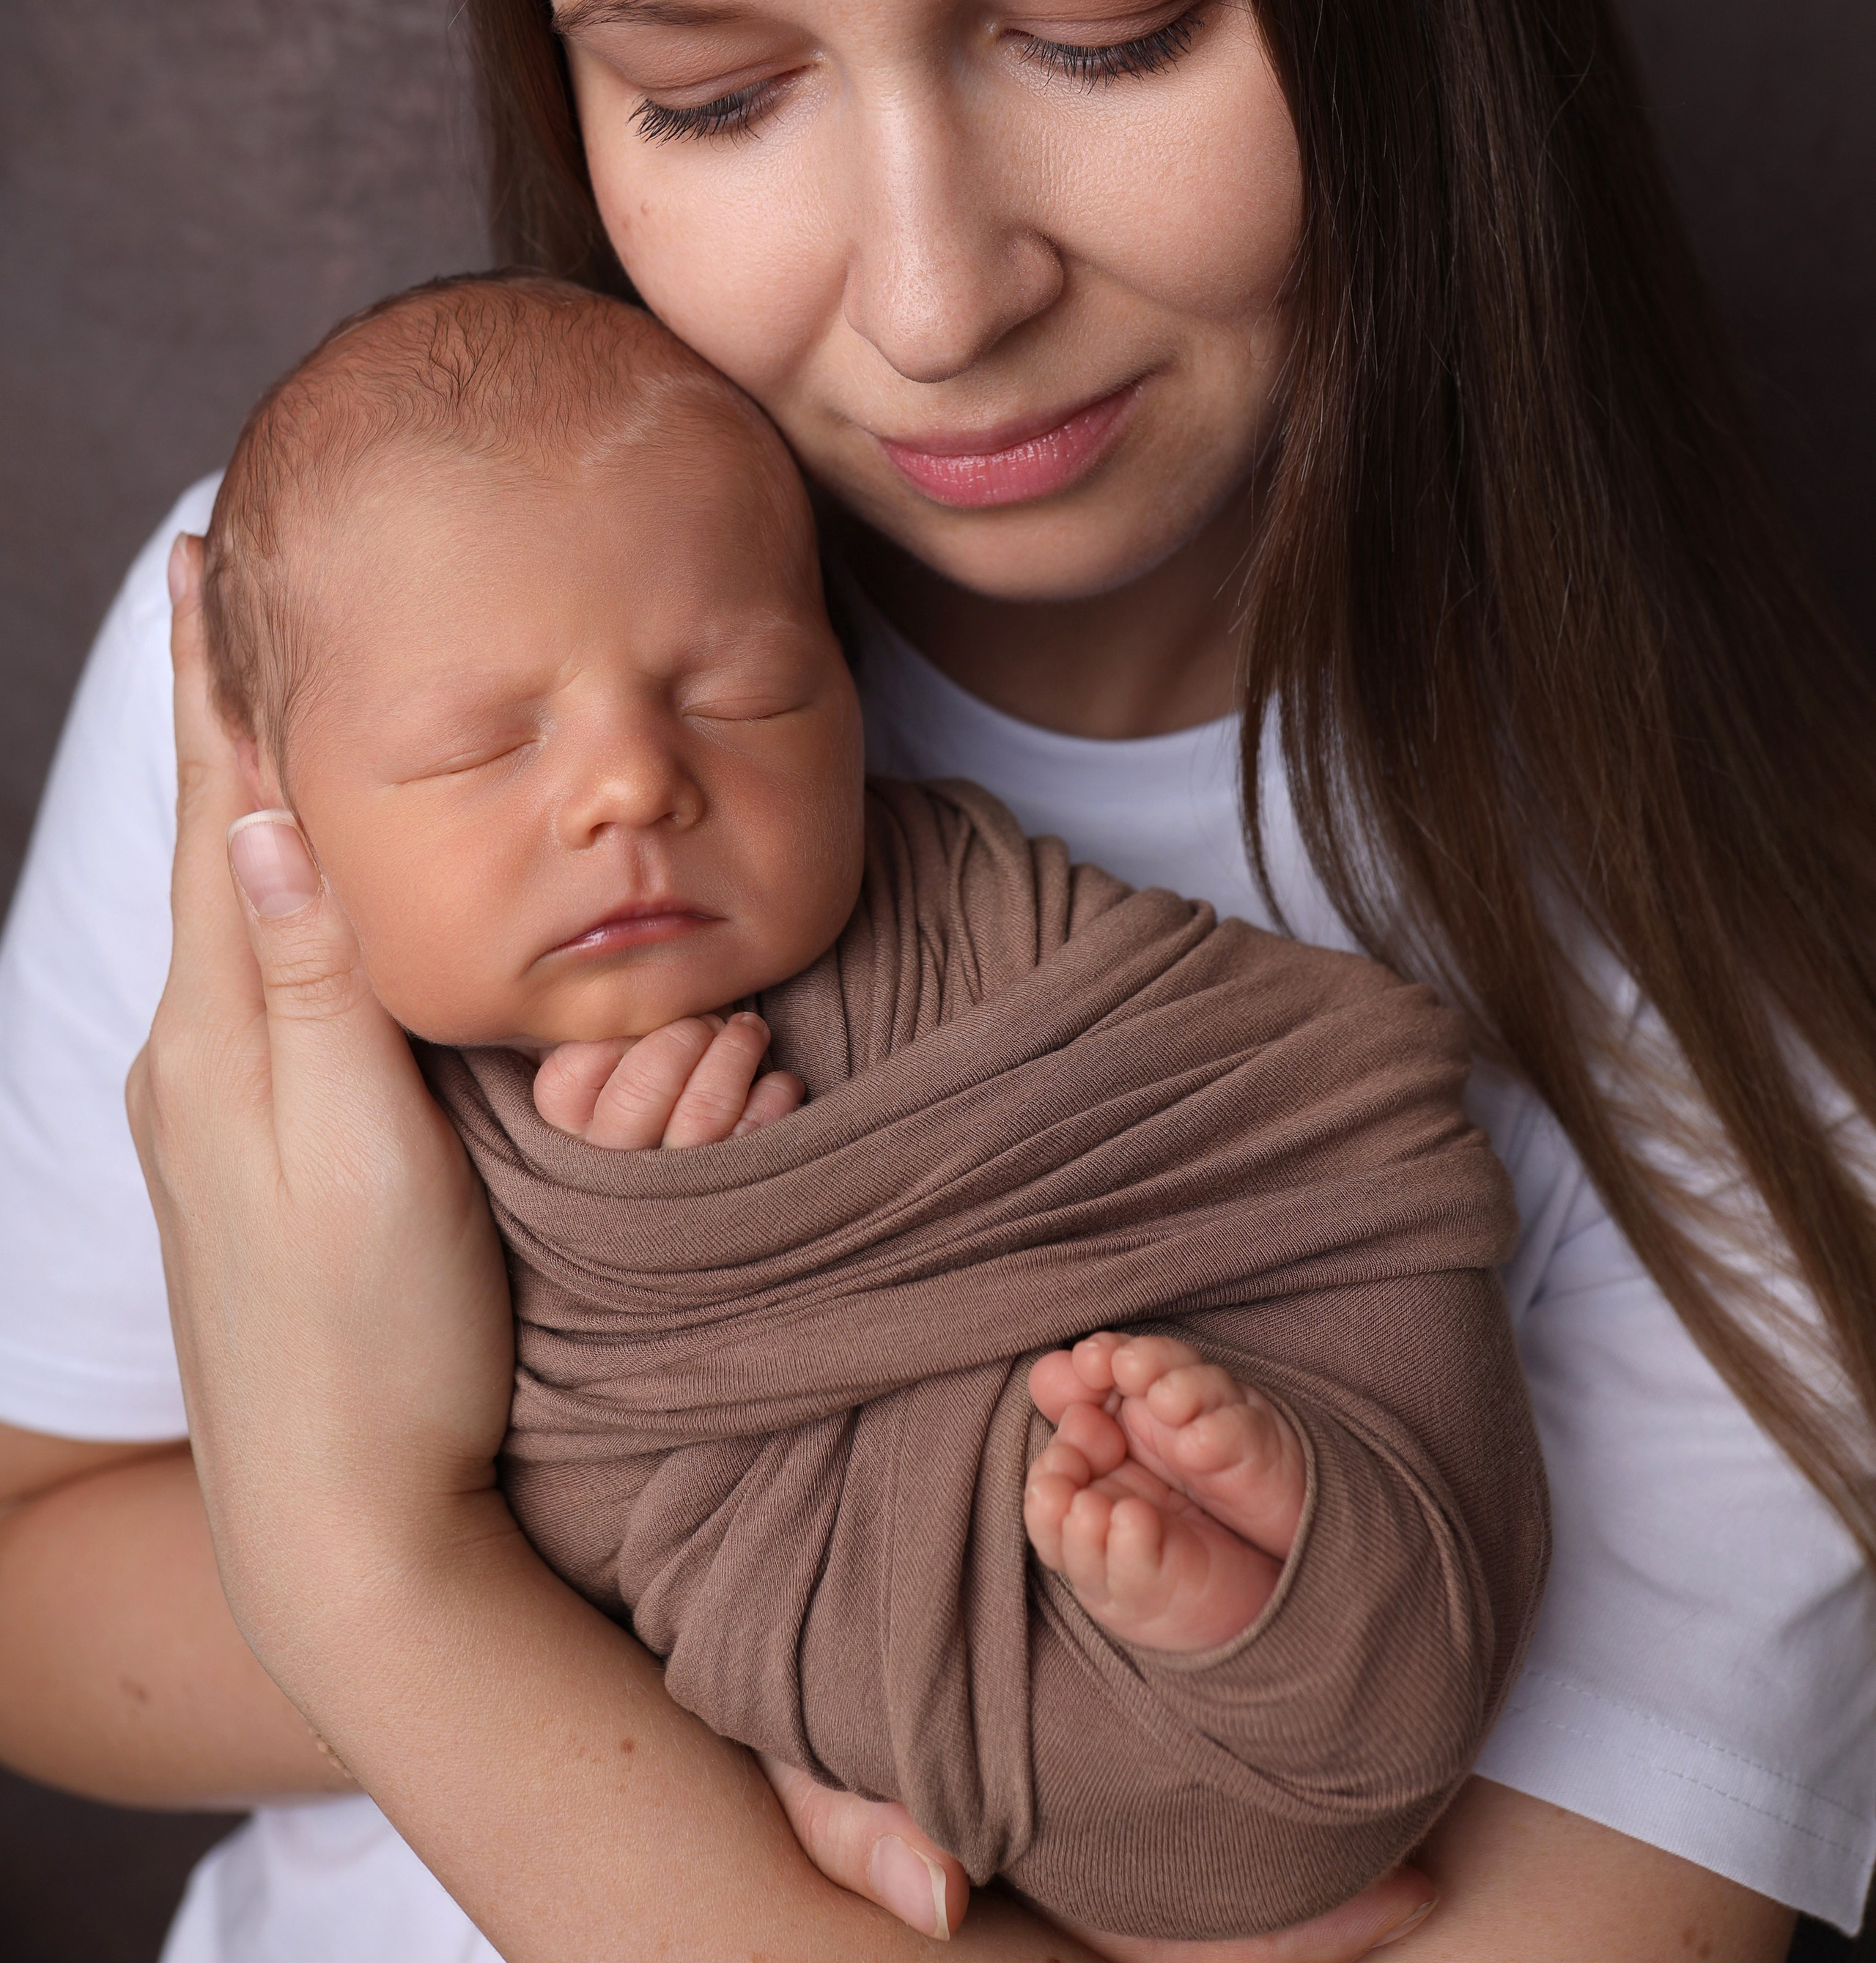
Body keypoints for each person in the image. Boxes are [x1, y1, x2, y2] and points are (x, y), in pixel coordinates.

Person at [1, 0, 1872, 1957]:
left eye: (1109, 28)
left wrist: (397, 1558)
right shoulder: (328, 644)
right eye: (711, 95)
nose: (930, 290)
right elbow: (32, 1570)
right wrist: (767, 1611)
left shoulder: (1726, 981)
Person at [190, 265, 1546, 1953]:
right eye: (478, 748)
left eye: (742, 697)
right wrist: (659, 1256)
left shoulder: (979, 916)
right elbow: (579, 1491)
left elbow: (1293, 1108)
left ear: (847, 696)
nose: (632, 782)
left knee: (1164, 1453)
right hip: (881, 1652)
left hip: (1221, 1477)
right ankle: (1218, 1603)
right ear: (272, 799)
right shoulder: (297, 1114)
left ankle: (1272, 1575)